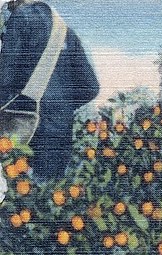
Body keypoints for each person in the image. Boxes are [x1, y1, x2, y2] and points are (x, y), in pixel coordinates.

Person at [0, 0, 99, 179]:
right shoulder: (65, 31)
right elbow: (91, 87)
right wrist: (63, 107)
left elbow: (5, 80)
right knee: (54, 199)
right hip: (62, 134)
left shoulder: (21, 18)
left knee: (23, 198)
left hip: (28, 134)